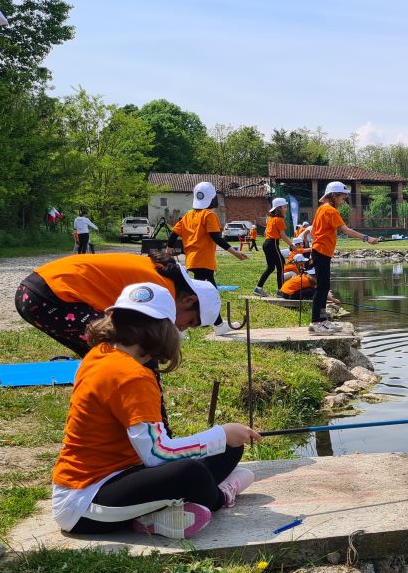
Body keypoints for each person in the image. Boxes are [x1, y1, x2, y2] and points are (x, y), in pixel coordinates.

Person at [50, 282, 260, 539]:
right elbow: (157, 455)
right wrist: (220, 433)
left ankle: (157, 515)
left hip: (117, 477)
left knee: (229, 448)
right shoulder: (133, 376)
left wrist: (224, 440)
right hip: (86, 504)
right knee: (191, 472)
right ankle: (221, 495)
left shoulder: (100, 353)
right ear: (164, 329)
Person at [15, 250, 222, 357]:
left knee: (99, 355)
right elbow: (144, 341)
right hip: (51, 296)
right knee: (127, 353)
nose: (181, 327)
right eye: (189, 322)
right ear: (189, 300)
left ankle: (104, 417)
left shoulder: (163, 276)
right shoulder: (161, 290)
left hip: (36, 291)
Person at [169, 182, 248, 332]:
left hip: (192, 260)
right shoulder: (209, 215)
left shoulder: (188, 215)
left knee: (200, 294)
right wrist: (235, 253)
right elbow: (216, 237)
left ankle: (203, 321)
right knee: (210, 295)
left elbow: (173, 235)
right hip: (204, 261)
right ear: (212, 199)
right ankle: (218, 326)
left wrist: (168, 251)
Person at [309, 181, 377, 334]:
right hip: (322, 252)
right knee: (322, 288)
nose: (343, 201)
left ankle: (322, 320)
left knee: (324, 286)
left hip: (319, 251)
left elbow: (313, 231)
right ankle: (316, 322)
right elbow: (346, 230)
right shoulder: (331, 211)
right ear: (333, 196)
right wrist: (367, 238)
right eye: (342, 198)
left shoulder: (321, 209)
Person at [254, 198, 294, 296]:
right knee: (281, 265)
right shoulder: (279, 220)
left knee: (271, 267)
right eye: (284, 207)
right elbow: (283, 236)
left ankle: (258, 288)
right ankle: (281, 291)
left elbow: (265, 233)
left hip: (267, 243)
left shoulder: (271, 219)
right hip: (273, 244)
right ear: (278, 209)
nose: (286, 209)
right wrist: (292, 245)